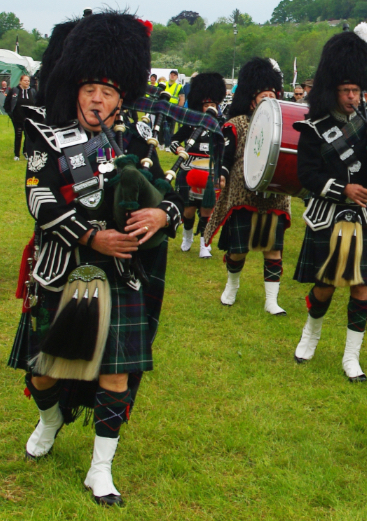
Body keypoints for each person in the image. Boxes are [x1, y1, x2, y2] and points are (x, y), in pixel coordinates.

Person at [8, 11, 186, 506]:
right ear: (76, 89)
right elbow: (39, 200)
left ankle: (100, 469)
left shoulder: (137, 140)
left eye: (107, 91)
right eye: (89, 88)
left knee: (116, 374)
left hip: (121, 274)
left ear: (120, 97)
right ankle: (50, 419)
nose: (96, 99)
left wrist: (161, 215)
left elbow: (172, 194)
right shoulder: (48, 135)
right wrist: (91, 235)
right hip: (63, 267)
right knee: (43, 371)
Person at [292, 22, 367, 382]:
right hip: (328, 214)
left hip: (365, 216)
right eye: (346, 90)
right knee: (326, 284)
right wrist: (344, 189)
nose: (352, 97)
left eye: (356, 90)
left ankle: (352, 358)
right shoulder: (313, 128)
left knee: (362, 286)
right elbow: (307, 175)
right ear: (332, 91)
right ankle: (310, 335)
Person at [203, 57, 291, 316]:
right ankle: (231, 286)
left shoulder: (283, 126)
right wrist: (221, 173)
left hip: (274, 195)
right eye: (264, 96)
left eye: (273, 95)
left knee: (273, 250)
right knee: (238, 250)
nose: (269, 100)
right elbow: (226, 154)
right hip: (243, 194)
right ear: (252, 99)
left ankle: (271, 301)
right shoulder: (237, 123)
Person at [169, 72, 227, 258]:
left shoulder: (221, 126)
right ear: (199, 105)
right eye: (207, 105)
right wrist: (178, 149)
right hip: (188, 170)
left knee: (206, 209)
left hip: (209, 172)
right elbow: (173, 140)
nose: (210, 108)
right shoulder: (191, 124)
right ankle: (187, 237)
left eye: (213, 105)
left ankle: (204, 244)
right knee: (188, 210)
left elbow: (225, 151)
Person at [4, 75, 37, 160]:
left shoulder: (32, 91)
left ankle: (25, 151)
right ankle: (16, 154)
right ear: (20, 81)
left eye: (28, 81)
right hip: (17, 118)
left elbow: (36, 103)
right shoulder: (14, 91)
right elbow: (7, 104)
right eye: (25, 80)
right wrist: (11, 114)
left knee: (28, 136)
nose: (27, 82)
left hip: (29, 119)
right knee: (18, 135)